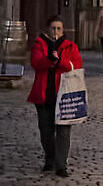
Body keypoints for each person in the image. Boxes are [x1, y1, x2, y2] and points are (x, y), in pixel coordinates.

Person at [27, 17, 82, 176]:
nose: (56, 31)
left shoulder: (70, 47)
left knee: (63, 132)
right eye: (53, 28)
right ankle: (49, 159)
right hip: (44, 95)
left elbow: (75, 66)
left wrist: (60, 61)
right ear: (47, 29)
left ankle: (61, 165)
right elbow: (36, 63)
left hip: (64, 96)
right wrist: (49, 60)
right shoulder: (39, 45)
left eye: (59, 28)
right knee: (46, 131)